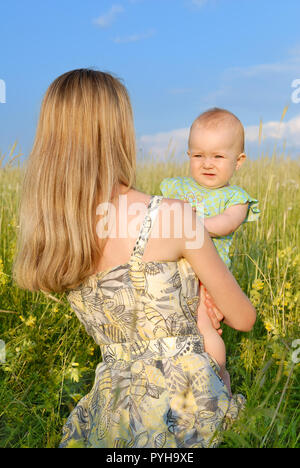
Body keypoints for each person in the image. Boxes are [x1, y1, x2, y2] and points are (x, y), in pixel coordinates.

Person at [12, 70, 256, 448]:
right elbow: (242, 317)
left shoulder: (58, 236)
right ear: (119, 132)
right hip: (185, 407)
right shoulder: (171, 215)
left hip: (111, 416)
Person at [160, 108, 260, 396]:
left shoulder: (235, 198)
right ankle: (175, 384)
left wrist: (191, 223)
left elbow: (225, 225)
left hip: (206, 277)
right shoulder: (175, 187)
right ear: (188, 155)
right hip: (171, 272)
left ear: (238, 161)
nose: (207, 163)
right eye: (198, 155)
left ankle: (217, 377)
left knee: (204, 327)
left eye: (218, 156)